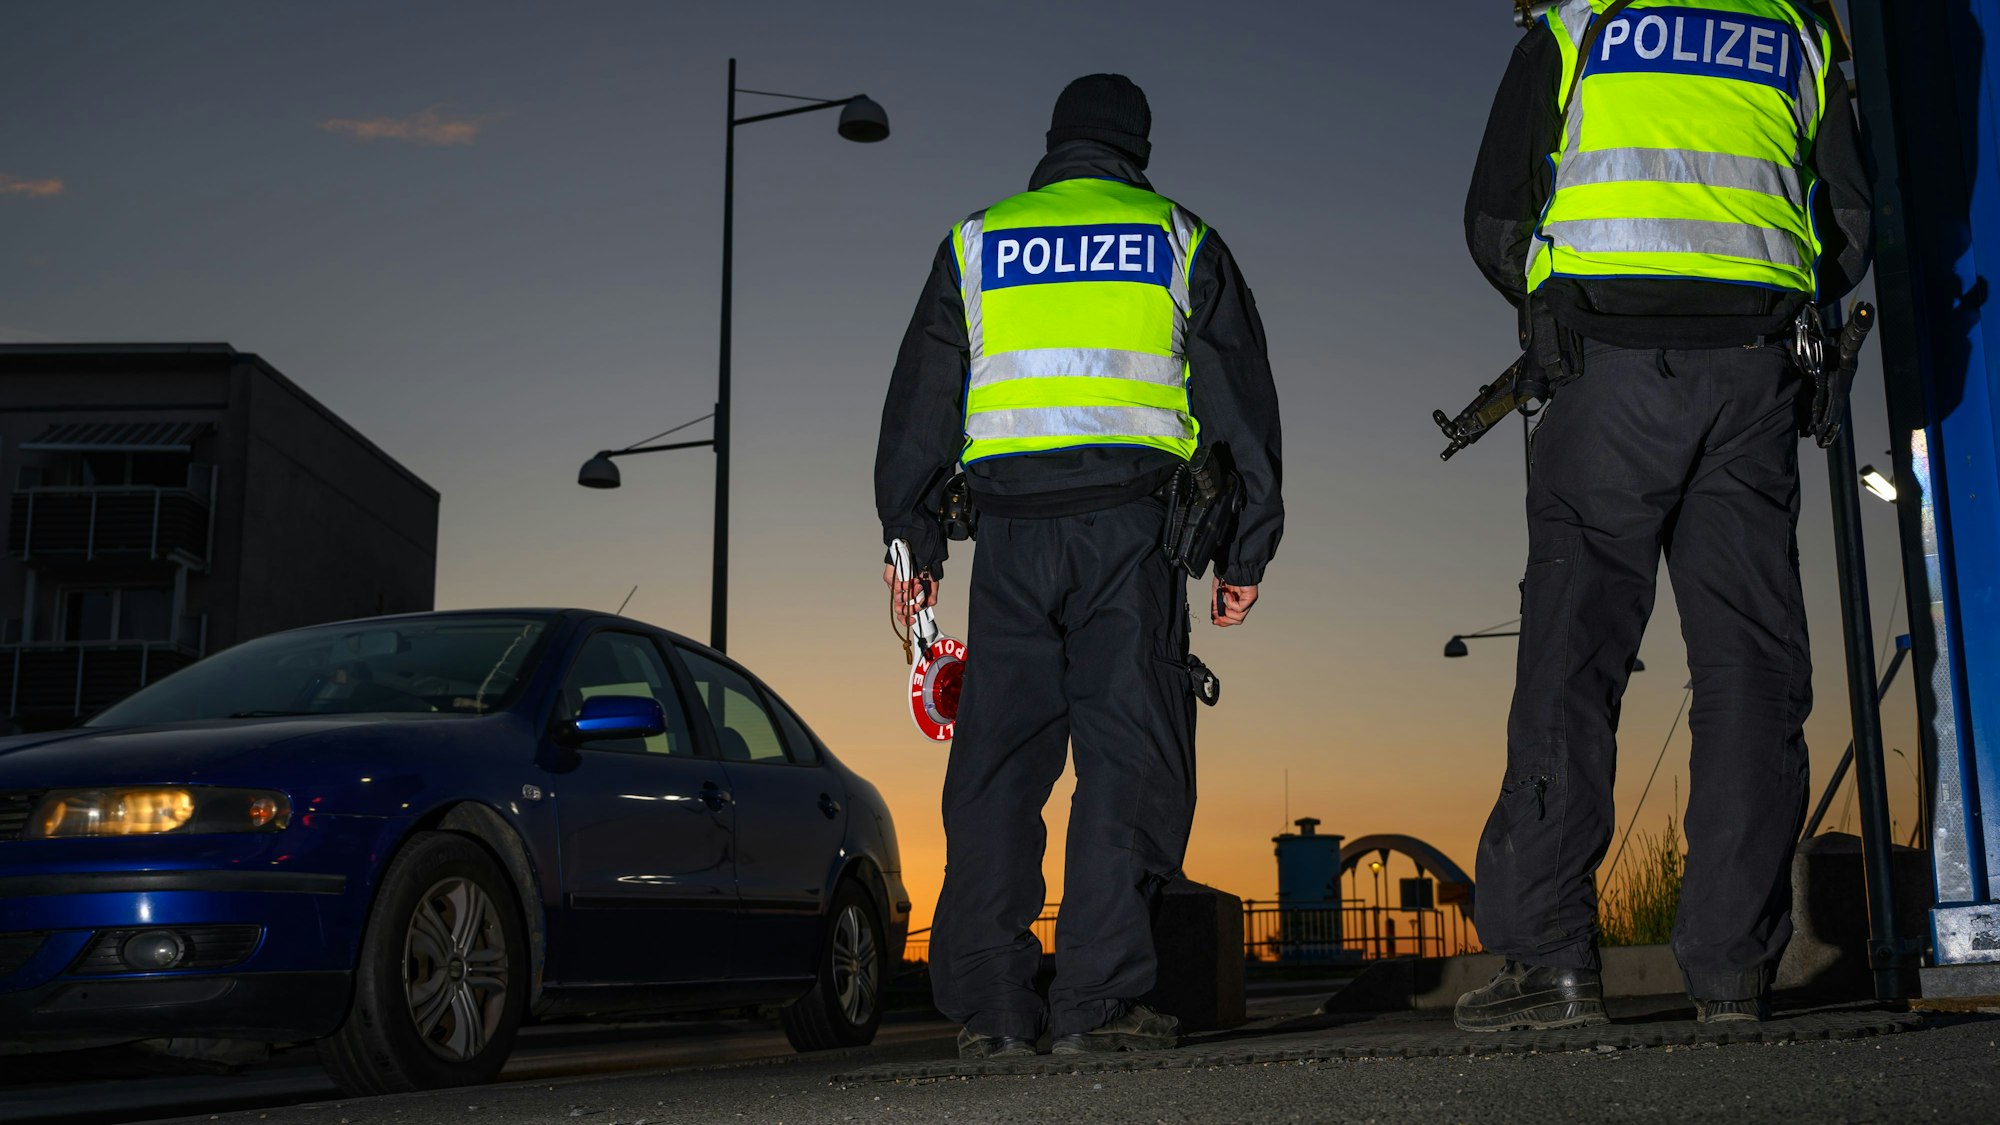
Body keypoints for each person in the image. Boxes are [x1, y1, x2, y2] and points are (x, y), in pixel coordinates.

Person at [1455, 0, 1872, 1031]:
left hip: (1608, 371)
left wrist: (1562, 303)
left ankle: (1549, 962)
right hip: (1751, 374)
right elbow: (1850, 221)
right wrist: (1762, 301)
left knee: (1572, 660)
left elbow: (1493, 214)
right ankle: (1731, 971)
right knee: (1752, 669)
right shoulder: (1798, 32)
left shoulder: (1576, 22)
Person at [873, 73, 1283, 1058]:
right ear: (1136, 149)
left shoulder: (976, 242)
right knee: (1123, 767)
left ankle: (991, 1013)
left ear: (1052, 142)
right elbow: (1238, 402)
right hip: (1129, 539)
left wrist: (913, 538)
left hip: (1006, 539)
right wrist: (1244, 545)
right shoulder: (1180, 239)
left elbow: (921, 398)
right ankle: (1095, 1007)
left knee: (994, 774)